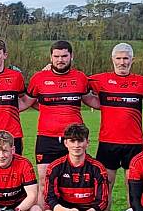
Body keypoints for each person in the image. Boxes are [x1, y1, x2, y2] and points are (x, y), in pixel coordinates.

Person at [24, 40, 92, 198]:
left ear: (71, 56)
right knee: (44, 180)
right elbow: (26, 102)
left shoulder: (81, 78)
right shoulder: (39, 78)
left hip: (74, 138)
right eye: (56, 56)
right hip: (47, 137)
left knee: (74, 181)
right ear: (51, 57)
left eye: (64, 56)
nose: (60, 60)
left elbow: (92, 100)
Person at [88, 43, 143, 185]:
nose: (122, 62)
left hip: (134, 143)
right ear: (112, 59)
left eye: (126, 58)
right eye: (118, 58)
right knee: (106, 185)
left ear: (132, 59)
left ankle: (133, 209)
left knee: (133, 187)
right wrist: (49, 70)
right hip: (108, 142)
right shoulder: (99, 80)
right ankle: (106, 209)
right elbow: (74, 82)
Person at [39, 123, 113, 211]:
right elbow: (49, 198)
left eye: (80, 141)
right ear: (66, 143)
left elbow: (102, 201)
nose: (76, 145)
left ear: (87, 143)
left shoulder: (97, 168)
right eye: (72, 141)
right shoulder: (55, 167)